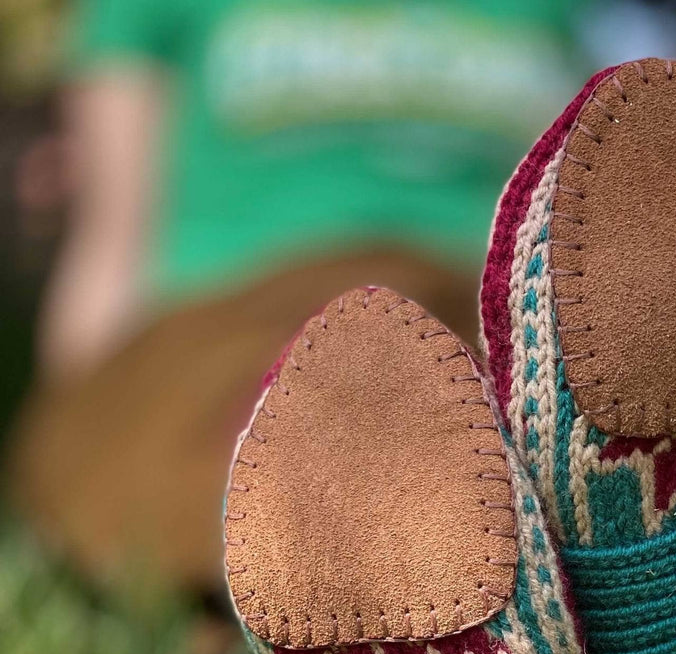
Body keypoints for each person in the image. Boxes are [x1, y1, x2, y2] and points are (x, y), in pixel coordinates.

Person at [8, 0, 587, 602]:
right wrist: (79, 434)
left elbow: (561, 219)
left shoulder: (546, 11)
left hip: (471, 307)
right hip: (234, 316)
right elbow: (110, 242)